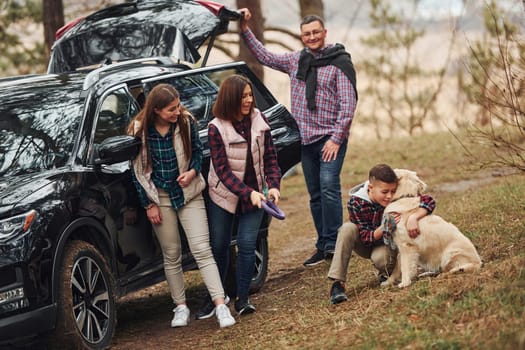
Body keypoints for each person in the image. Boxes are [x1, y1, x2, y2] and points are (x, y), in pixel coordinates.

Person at [239, 10, 358, 266]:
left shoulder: (339, 62)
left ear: (324, 33)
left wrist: (336, 139)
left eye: (316, 32)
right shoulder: (296, 61)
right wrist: (246, 28)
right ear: (302, 37)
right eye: (307, 34)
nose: (312, 37)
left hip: (330, 139)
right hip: (305, 141)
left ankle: (337, 245)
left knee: (328, 188)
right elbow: (265, 56)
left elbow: (348, 105)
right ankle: (323, 244)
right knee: (315, 194)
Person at [127, 83, 235, 328]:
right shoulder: (139, 130)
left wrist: (193, 171)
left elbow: (198, 152)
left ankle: (221, 306)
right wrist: (148, 205)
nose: (177, 112)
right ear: (155, 110)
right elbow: (136, 172)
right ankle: (180, 307)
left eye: (177, 106)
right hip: (159, 197)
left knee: (201, 248)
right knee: (172, 253)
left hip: (188, 193)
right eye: (171, 109)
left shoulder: (185, 122)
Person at [197, 74, 281, 317]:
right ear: (231, 98)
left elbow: (271, 158)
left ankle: (243, 299)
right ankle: (217, 295)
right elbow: (222, 171)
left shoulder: (260, 120)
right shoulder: (216, 128)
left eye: (250, 95)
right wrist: (248, 193)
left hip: (256, 196)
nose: (248, 100)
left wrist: (273, 185)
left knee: (246, 245)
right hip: (223, 194)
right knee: (219, 246)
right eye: (243, 96)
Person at [327, 164, 436, 304]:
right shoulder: (356, 202)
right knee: (347, 228)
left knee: (381, 260)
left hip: (387, 245)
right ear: (371, 188)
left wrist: (415, 217)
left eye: (393, 191)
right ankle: (337, 284)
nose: (390, 196)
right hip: (368, 241)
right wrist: (384, 227)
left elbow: (428, 200)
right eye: (385, 192)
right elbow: (366, 238)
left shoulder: (395, 189)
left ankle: (388, 272)